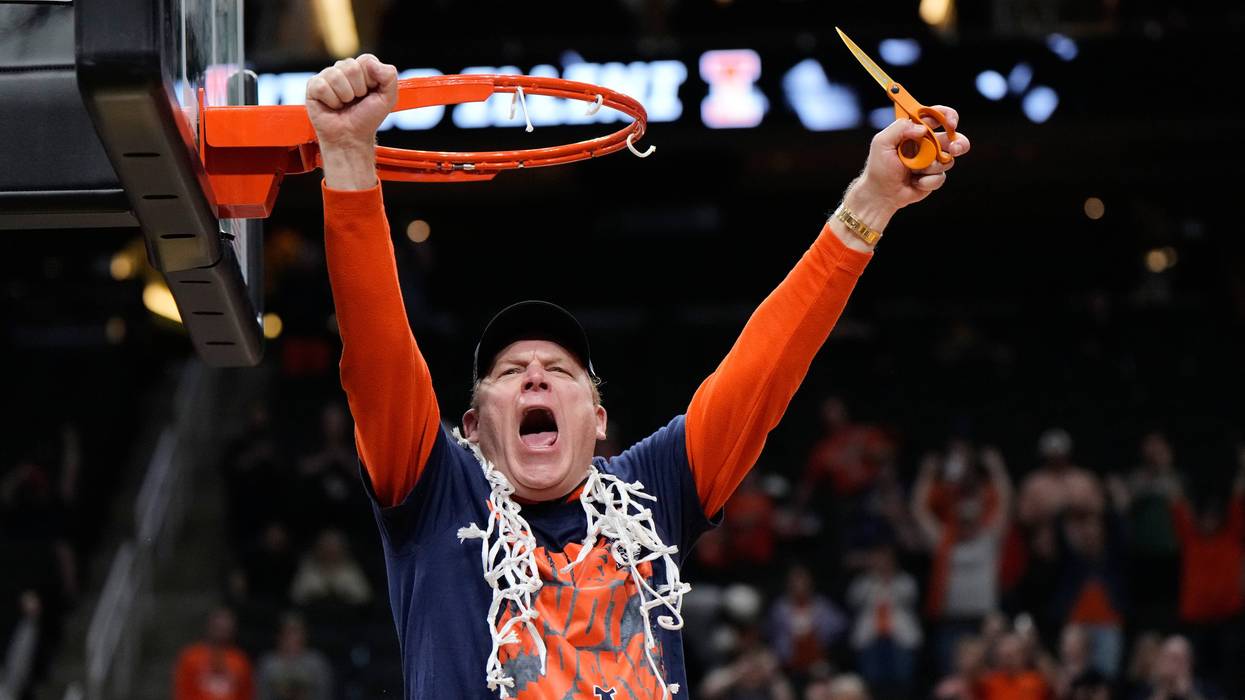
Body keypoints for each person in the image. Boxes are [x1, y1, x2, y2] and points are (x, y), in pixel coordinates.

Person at [307, 53, 970, 698]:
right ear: (473, 428)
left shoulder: (648, 492)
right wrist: (346, 158)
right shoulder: (435, 493)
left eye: (561, 371)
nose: (536, 376)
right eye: (510, 372)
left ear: (597, 421)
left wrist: (872, 200)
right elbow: (378, 357)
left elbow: (764, 368)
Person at [173, 607, 254, 700]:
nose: (222, 631)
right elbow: (181, 692)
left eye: (226, 628)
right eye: (218, 627)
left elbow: (246, 694)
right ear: (209, 626)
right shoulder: (191, 657)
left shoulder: (240, 660)